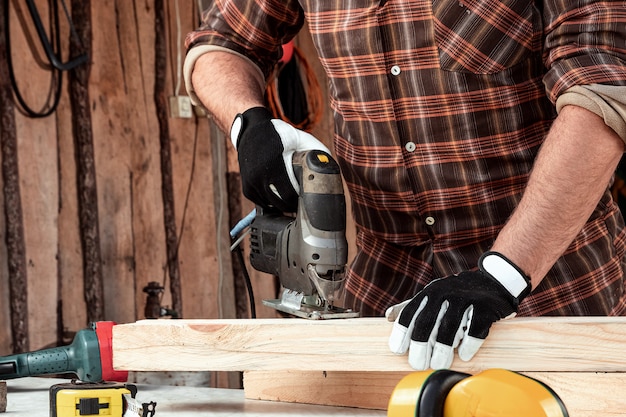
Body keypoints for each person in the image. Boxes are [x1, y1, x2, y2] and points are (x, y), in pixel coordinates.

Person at [183, 1, 626, 370]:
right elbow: (220, 43)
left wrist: (504, 274)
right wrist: (249, 123)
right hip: (385, 294)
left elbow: (603, 95)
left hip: (547, 293)